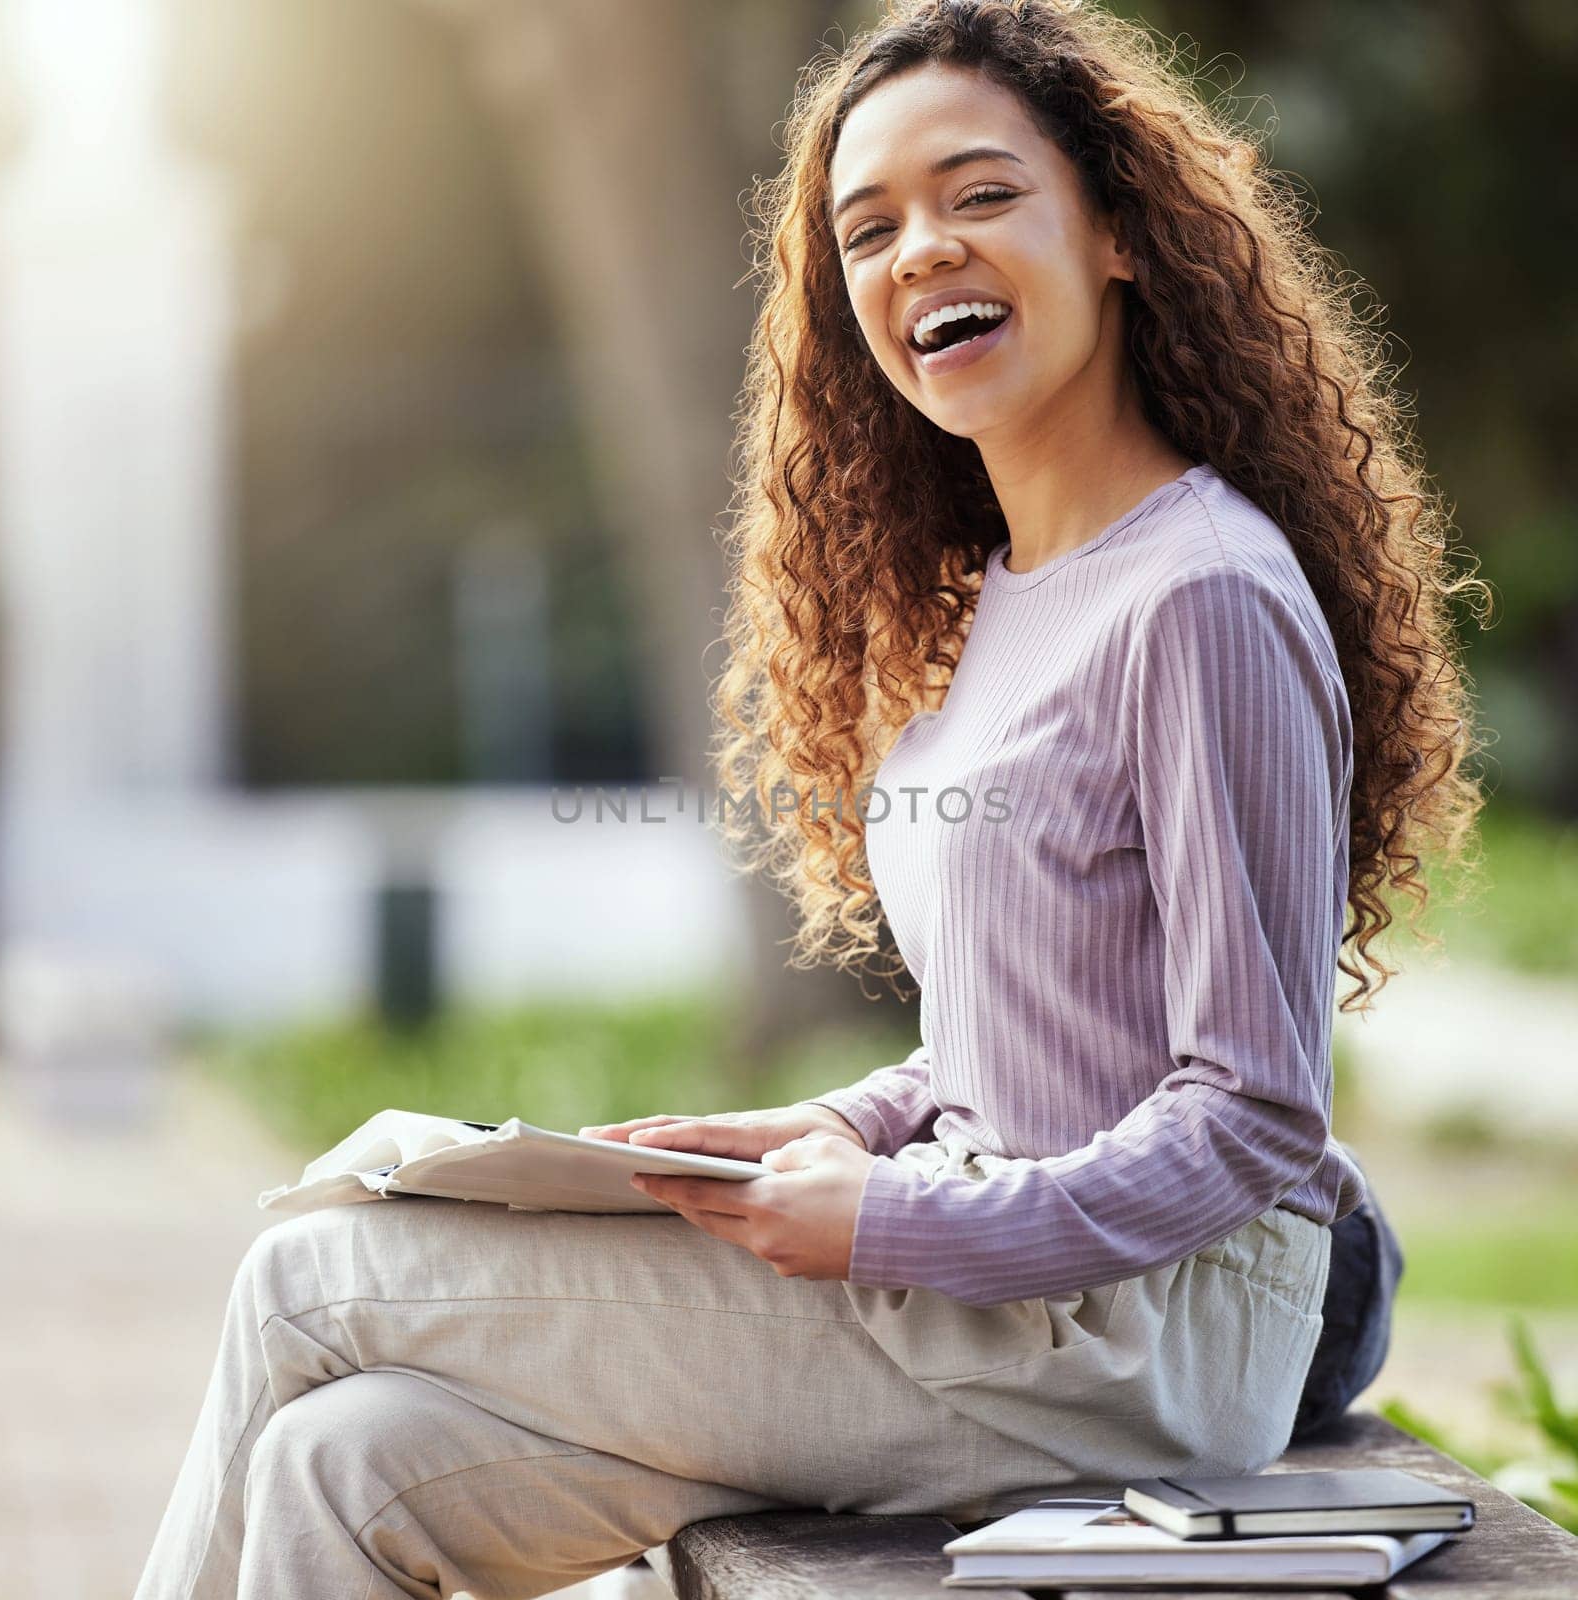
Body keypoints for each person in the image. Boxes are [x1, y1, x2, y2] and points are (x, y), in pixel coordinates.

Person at [134, 2, 1486, 1595]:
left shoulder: (1200, 596)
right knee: (344, 1464)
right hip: (996, 1291)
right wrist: (814, 1136)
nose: (921, 250)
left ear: (1118, 229)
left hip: (1134, 1346)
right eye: (871, 228)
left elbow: (1254, 1112)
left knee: (309, 1277)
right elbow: (1025, 1034)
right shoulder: (1003, 599)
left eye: (981, 196)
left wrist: (889, 1226)